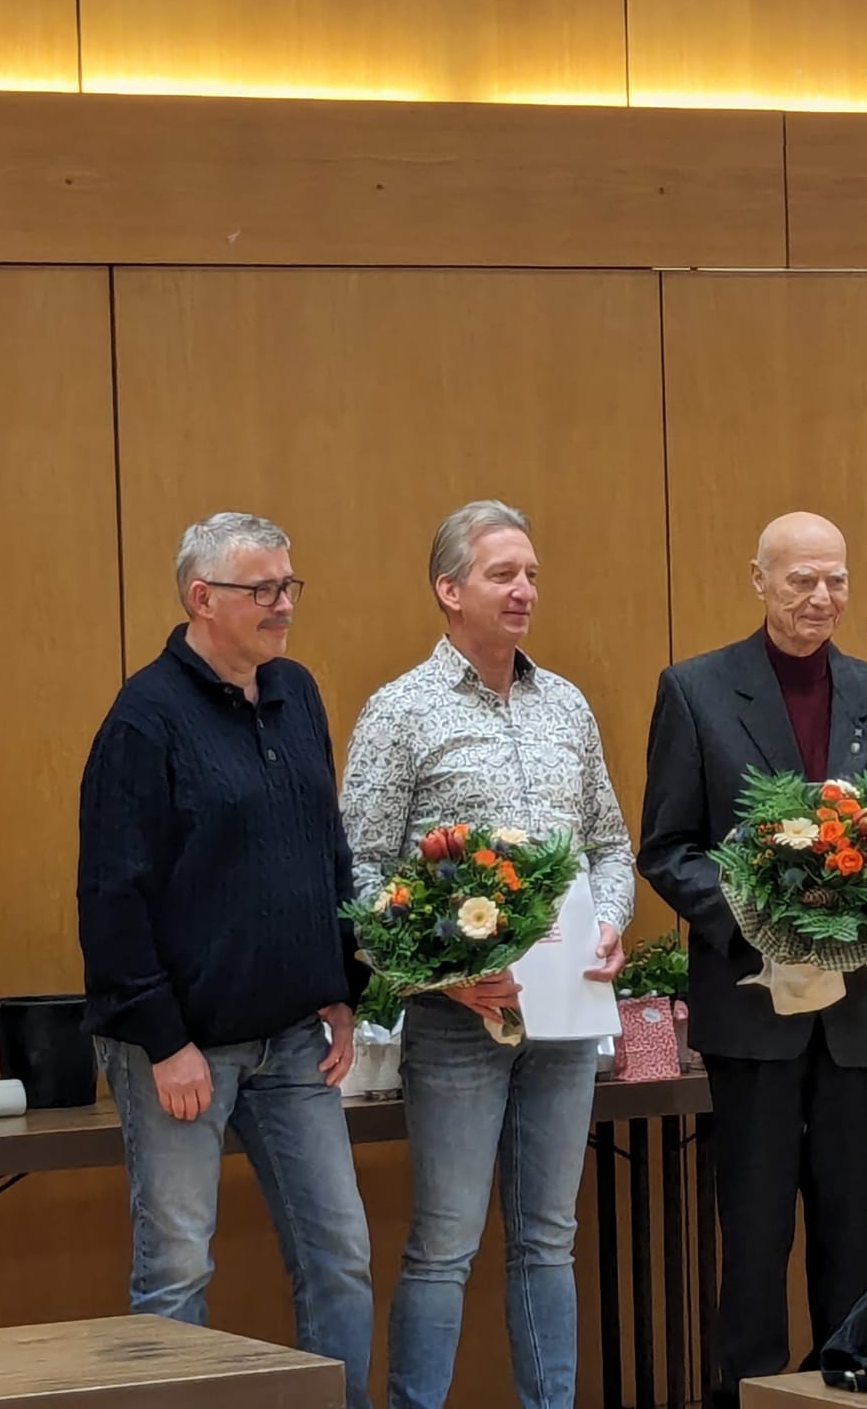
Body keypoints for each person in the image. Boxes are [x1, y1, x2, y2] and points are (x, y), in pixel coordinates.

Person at [637, 511, 867, 1409]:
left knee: (852, 1227)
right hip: (750, 1008)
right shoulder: (694, 691)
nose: (821, 598)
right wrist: (763, 914)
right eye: (801, 579)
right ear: (759, 580)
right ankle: (751, 1395)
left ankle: (849, 1392)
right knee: (756, 1232)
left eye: (835, 580)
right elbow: (669, 848)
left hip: (859, 1010)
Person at [340, 499, 633, 1409]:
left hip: (567, 1014)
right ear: (449, 588)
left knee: (549, 1238)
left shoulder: (567, 704)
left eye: (533, 574)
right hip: (459, 1020)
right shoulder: (401, 711)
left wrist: (611, 922)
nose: (524, 590)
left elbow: (610, 845)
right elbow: (359, 870)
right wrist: (442, 973)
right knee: (445, 1244)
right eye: (504, 573)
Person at [77, 511, 372, 1409]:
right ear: (202, 600)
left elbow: (328, 851)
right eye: (263, 590)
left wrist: (341, 985)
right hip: (182, 1050)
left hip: (292, 1037)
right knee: (175, 1270)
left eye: (290, 586)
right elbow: (111, 895)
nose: (283, 606)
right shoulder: (144, 721)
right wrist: (164, 1041)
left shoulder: (298, 691)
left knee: (340, 1258)